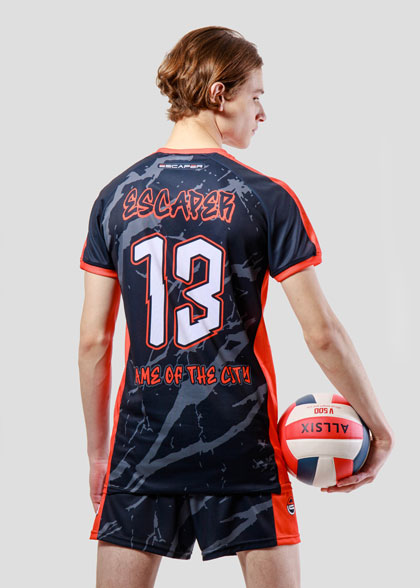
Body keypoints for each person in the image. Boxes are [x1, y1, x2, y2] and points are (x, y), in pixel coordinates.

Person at [79, 26, 394, 588]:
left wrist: (101, 456)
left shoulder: (115, 197)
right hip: (242, 441)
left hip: (141, 443)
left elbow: (93, 343)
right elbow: (321, 333)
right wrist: (379, 427)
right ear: (219, 93)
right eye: (257, 95)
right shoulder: (265, 197)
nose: (262, 112)